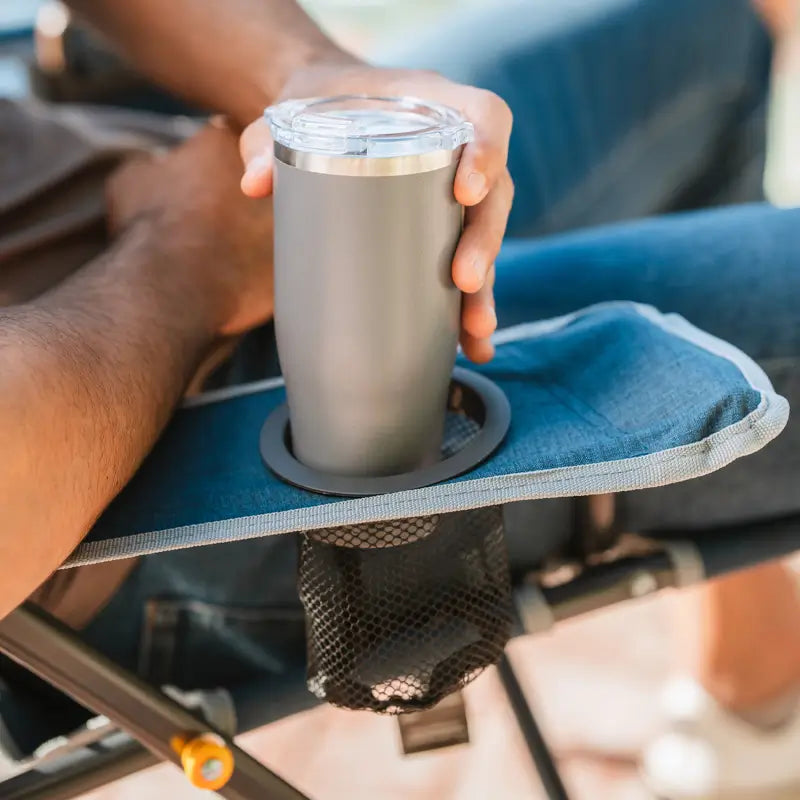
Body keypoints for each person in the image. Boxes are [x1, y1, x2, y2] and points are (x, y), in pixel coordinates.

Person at [0, 3, 798, 800]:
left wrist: (306, 75)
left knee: (713, 27)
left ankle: (751, 673)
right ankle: (755, 693)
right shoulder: (187, 257)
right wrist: (190, 255)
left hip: (205, 197)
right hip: (134, 460)